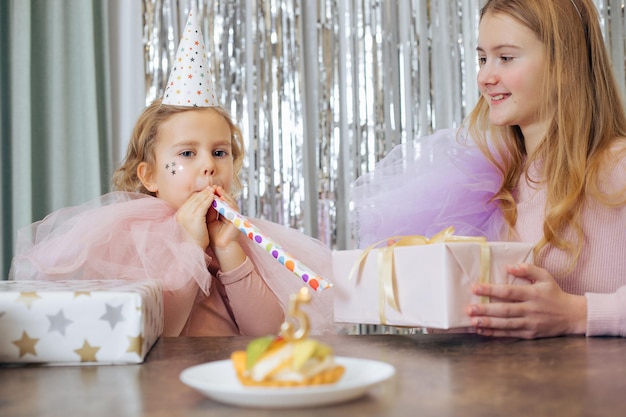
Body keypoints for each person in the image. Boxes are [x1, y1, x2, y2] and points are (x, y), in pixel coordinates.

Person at [9, 8, 335, 337]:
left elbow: (267, 335)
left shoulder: (238, 238)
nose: (209, 164)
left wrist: (228, 251)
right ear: (149, 176)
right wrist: (190, 247)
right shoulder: (134, 239)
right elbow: (153, 332)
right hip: (159, 384)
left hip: (231, 377)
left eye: (220, 152)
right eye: (187, 153)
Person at [352, 0, 626, 338]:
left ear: (565, 64)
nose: (485, 77)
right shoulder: (491, 180)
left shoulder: (619, 166)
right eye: (482, 59)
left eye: (506, 58)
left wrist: (577, 314)